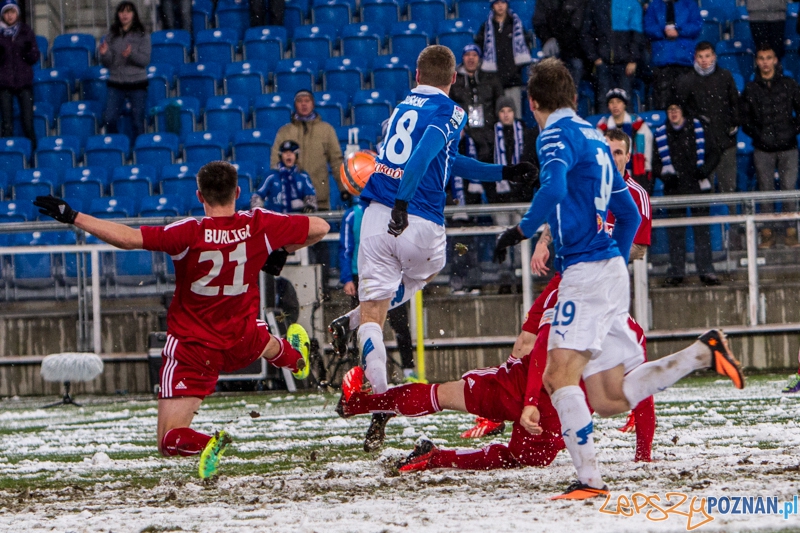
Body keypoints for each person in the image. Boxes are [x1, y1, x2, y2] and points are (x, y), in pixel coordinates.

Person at [492, 58, 743, 499]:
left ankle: (589, 482)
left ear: (532, 103)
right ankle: (702, 353)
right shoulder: (594, 136)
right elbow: (626, 212)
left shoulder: (554, 134)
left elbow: (550, 189)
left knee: (557, 377)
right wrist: (615, 259)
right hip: (607, 269)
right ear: (574, 97)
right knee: (608, 398)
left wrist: (519, 231)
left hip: (586, 272)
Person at [33, 161, 330, 478]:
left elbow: (129, 239)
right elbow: (320, 228)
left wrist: (74, 216)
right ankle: (297, 359)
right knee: (262, 338)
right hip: (242, 336)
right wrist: (280, 251)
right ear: (238, 192)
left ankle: (210, 444)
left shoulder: (189, 231)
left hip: (195, 345)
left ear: (200, 195)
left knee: (169, 438)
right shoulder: (259, 223)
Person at [328, 45, 536, 452]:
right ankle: (376, 381)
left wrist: (503, 172)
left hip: (374, 216)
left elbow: (446, 160)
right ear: (453, 78)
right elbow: (425, 155)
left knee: (375, 313)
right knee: (424, 272)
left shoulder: (402, 107)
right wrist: (405, 202)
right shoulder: (451, 111)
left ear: (416, 74)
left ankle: (377, 394)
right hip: (417, 217)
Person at [336, 274, 656, 472]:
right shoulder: (629, 331)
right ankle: (437, 457)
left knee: (444, 393)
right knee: (515, 458)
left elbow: (530, 345)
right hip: (552, 413)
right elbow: (643, 391)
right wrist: (643, 455)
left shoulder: (568, 296)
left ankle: (358, 405)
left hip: (515, 385)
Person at [338, 198, 416, 381]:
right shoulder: (353, 215)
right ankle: (362, 371)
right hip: (362, 277)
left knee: (400, 325)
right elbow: (346, 249)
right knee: (361, 327)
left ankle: (408, 369)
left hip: (389, 275)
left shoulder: (390, 211)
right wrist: (348, 278)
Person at [654, 98, 721, 286]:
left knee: (702, 231)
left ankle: (706, 271)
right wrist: (664, 176)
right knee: (675, 232)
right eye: (670, 109)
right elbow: (655, 163)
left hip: (698, 187)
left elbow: (714, 153)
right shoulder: (661, 133)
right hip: (674, 189)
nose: (673, 112)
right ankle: (677, 272)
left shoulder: (698, 128)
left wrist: (705, 170)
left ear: (683, 111)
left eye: (676, 109)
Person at [741, 44, 800, 248]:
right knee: (765, 190)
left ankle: (791, 232)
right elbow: (745, 118)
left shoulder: (789, 84)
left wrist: (792, 131)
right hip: (763, 148)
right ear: (757, 61)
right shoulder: (751, 88)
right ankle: (767, 233)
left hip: (788, 146)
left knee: (788, 189)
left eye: (769, 57)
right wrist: (759, 135)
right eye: (761, 58)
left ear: (775, 60)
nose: (765, 62)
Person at [677, 42, 740, 201]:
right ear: (695, 58)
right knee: (705, 191)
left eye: (707, 56)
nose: (704, 60)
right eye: (700, 56)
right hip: (701, 146)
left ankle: (733, 224)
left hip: (726, 143)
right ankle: (709, 225)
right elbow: (682, 110)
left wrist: (732, 125)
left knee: (729, 189)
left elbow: (736, 104)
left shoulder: (725, 76)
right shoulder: (686, 80)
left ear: (714, 57)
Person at [271, 90, 345, 212]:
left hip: (319, 199)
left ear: (313, 103)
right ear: (295, 105)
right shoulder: (284, 132)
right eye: (300, 101)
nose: (304, 104)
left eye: (307, 101)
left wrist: (343, 189)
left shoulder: (326, 130)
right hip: (291, 202)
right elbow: (275, 163)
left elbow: (336, 161)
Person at [99, 1, 151, 143]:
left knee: (137, 121)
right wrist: (104, 54)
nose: (124, 15)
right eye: (122, 12)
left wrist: (131, 54)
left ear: (134, 14)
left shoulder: (142, 34)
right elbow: (108, 63)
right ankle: (116, 148)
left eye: (128, 11)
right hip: (116, 83)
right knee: (109, 119)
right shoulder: (111, 35)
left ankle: (139, 153)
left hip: (137, 84)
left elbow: (145, 60)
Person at [581, 0, 644, 110]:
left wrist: (633, 59)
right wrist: (595, 57)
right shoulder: (595, 4)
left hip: (625, 63)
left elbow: (637, 34)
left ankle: (627, 127)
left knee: (625, 100)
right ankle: (604, 127)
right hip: (603, 62)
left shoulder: (632, 3)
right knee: (603, 101)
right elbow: (586, 32)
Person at [476, 0, 532, 119]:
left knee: (515, 117)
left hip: (513, 79)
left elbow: (526, 48)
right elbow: (480, 50)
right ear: (492, 6)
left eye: (503, 2)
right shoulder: (486, 28)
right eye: (497, 3)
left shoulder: (516, 24)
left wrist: (514, 70)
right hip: (493, 81)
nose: (500, 6)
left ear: (507, 4)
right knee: (496, 118)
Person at [449, 44, 505, 164]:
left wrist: (496, 123)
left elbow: (500, 101)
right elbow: (449, 105)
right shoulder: (453, 80)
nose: (471, 58)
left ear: (479, 58)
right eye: (467, 55)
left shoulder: (490, 78)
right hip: (464, 129)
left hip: (488, 128)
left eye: (474, 55)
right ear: (462, 58)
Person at [643, 0, 703, 110]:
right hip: (661, 61)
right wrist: (663, 31)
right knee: (662, 103)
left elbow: (697, 25)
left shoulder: (689, 4)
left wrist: (679, 30)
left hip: (685, 61)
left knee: (685, 104)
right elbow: (648, 27)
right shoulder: (655, 5)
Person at [597, 88, 654, 193]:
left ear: (625, 104)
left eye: (618, 102)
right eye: (611, 102)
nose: (615, 105)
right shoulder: (602, 128)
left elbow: (647, 148)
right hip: (610, 175)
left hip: (638, 173)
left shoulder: (639, 124)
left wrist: (647, 168)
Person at [0, 0, 39, 150]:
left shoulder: (25, 31)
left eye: (12, 12)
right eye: (6, 12)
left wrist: (27, 51)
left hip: (24, 82)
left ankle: (33, 157)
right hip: (4, 83)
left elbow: (34, 56)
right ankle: (7, 157)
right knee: (7, 124)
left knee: (28, 123)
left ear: (17, 13)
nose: (10, 16)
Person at [532, 0, 589, 87]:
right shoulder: (544, 2)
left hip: (573, 50)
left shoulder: (578, 2)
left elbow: (576, 25)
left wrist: (559, 42)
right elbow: (539, 22)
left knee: (574, 76)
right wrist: (549, 38)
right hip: (551, 50)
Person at [251, 140, 317, 214]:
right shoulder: (271, 176)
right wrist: (259, 211)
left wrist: (309, 206)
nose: (288, 155)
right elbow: (257, 196)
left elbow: (310, 196)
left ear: (297, 155)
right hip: (276, 219)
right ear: (280, 155)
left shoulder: (303, 176)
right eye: (285, 153)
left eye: (291, 152)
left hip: (298, 218)